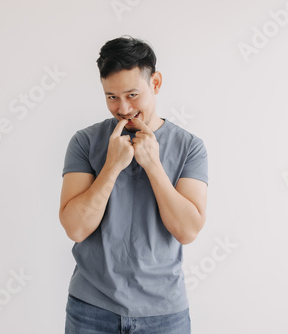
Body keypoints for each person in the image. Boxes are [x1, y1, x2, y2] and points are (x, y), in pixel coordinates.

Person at [59, 35, 208, 333]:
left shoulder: (190, 147)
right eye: (111, 97)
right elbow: (75, 228)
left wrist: (153, 164)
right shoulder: (84, 142)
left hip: (164, 313)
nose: (123, 108)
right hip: (91, 308)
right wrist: (111, 167)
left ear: (155, 83)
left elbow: (187, 230)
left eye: (132, 94)